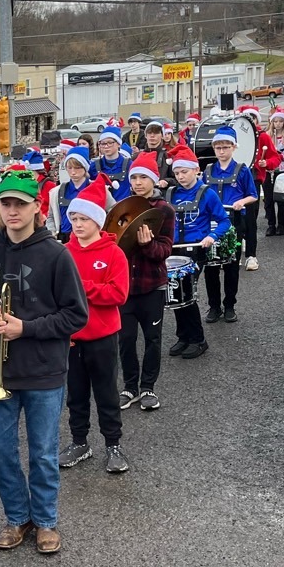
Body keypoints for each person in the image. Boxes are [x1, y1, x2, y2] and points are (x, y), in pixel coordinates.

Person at [0, 170, 88, 555]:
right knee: (0, 451)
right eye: (5, 203)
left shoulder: (56, 254)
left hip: (44, 371)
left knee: (43, 451)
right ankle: (17, 517)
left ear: (36, 207)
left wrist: (25, 328)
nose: (12, 210)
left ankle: (46, 520)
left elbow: (75, 315)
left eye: (20, 203)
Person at [57, 175, 131, 474]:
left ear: (97, 221)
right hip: (72, 337)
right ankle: (79, 442)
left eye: (83, 218)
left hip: (102, 335)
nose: (77, 223)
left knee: (106, 392)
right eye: (73, 217)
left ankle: (113, 444)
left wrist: (81, 286)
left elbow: (118, 293)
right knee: (75, 393)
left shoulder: (114, 253)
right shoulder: (63, 252)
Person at [116, 152, 175, 412]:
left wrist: (148, 244)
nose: (138, 182)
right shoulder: (123, 207)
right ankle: (129, 386)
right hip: (125, 287)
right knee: (126, 339)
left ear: (154, 179)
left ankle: (148, 387)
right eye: (134, 177)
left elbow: (165, 250)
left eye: (144, 177)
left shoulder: (164, 211)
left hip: (152, 286)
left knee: (152, 338)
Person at [165, 145, 230, 359]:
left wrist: (211, 236)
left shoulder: (207, 193)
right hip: (173, 250)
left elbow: (223, 221)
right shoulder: (171, 194)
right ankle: (183, 336)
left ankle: (198, 339)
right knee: (175, 294)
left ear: (196, 170)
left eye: (185, 171)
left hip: (195, 250)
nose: (181, 176)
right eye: (177, 173)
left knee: (187, 295)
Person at [200, 126, 257, 323]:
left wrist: (242, 202)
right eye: (218, 148)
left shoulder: (242, 170)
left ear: (233, 147)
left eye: (225, 147)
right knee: (211, 266)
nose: (222, 151)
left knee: (232, 265)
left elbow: (253, 195)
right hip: (212, 223)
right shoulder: (207, 171)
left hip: (235, 222)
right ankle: (214, 306)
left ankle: (230, 305)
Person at [237, 106, 280, 270]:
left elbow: (276, 158)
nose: (249, 121)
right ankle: (235, 253)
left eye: (252, 118)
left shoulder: (262, 137)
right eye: (246, 117)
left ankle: (251, 255)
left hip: (253, 178)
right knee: (233, 219)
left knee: (250, 219)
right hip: (234, 179)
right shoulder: (235, 136)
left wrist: (266, 163)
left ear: (256, 121)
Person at [46, 147, 116, 241]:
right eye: (69, 168)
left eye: (77, 168)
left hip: (91, 239)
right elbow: (50, 217)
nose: (73, 172)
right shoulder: (56, 192)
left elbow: (114, 211)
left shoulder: (99, 189)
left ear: (85, 167)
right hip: (64, 240)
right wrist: (52, 234)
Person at [264, 108, 284, 236]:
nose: (277, 124)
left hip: (283, 170)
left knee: (281, 199)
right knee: (268, 199)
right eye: (275, 121)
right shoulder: (266, 136)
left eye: (280, 121)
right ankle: (271, 224)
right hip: (269, 170)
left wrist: (282, 156)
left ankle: (281, 225)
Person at [90, 125, 132, 199]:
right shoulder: (94, 166)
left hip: (124, 208)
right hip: (102, 208)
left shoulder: (129, 164)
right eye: (103, 143)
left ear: (118, 144)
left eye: (110, 142)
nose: (106, 146)